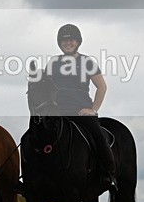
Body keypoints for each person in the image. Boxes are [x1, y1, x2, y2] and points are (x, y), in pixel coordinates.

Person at [45, 23, 117, 192]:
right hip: (58, 111)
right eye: (64, 41)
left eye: (71, 40)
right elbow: (46, 86)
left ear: (77, 42)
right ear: (59, 43)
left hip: (80, 110)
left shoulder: (87, 61)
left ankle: (109, 174)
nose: (67, 43)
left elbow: (102, 87)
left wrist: (93, 109)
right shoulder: (53, 62)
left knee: (98, 136)